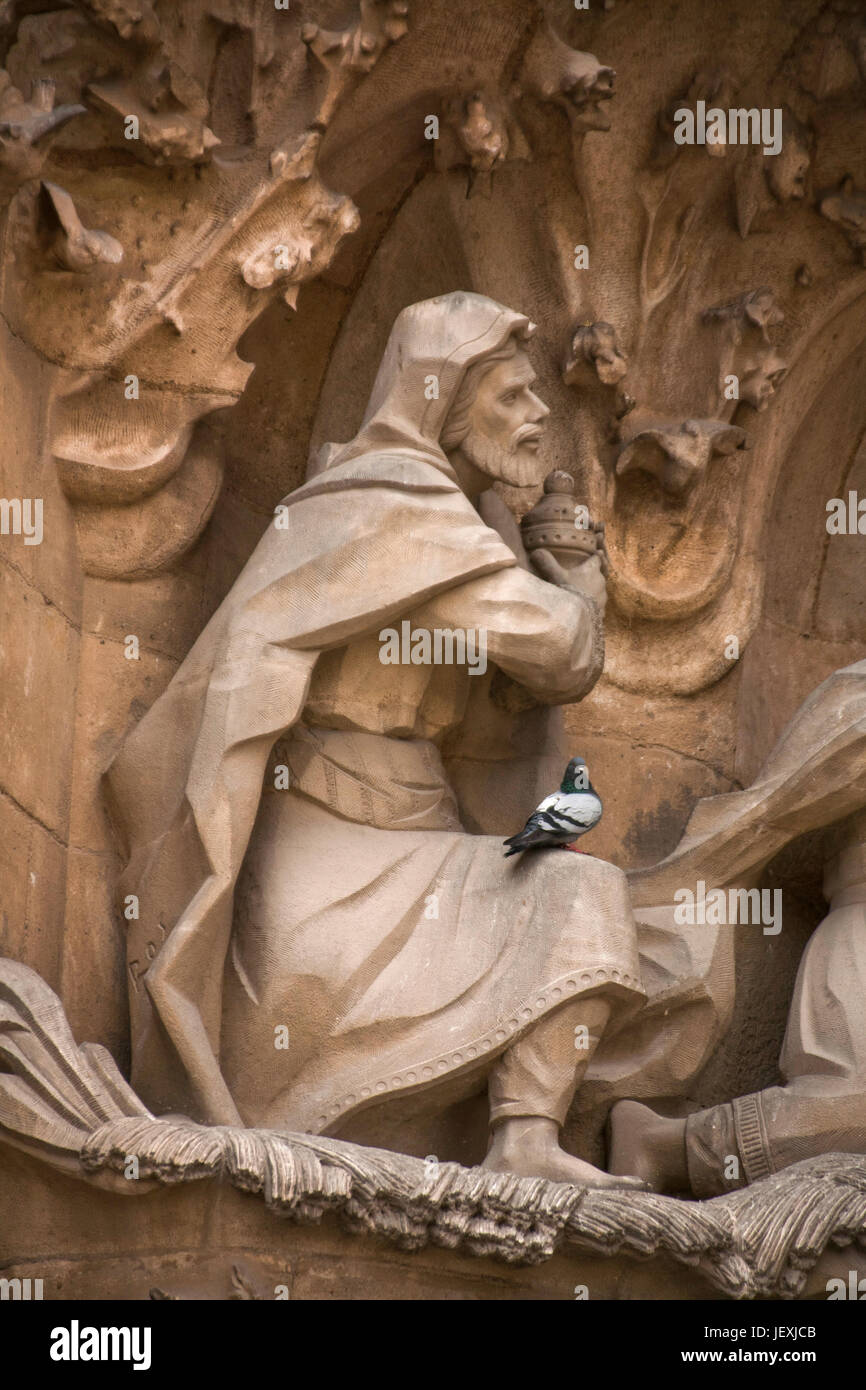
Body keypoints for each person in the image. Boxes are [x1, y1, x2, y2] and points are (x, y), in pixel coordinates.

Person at [107, 292, 646, 1187]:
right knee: (577, 893)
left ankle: (522, 1140)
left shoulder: (460, 529)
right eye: (511, 396)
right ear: (442, 401)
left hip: (417, 841)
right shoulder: (393, 509)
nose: (539, 415)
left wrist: (543, 569)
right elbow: (557, 654)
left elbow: (505, 711)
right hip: (323, 877)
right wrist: (579, 593)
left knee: (597, 903)